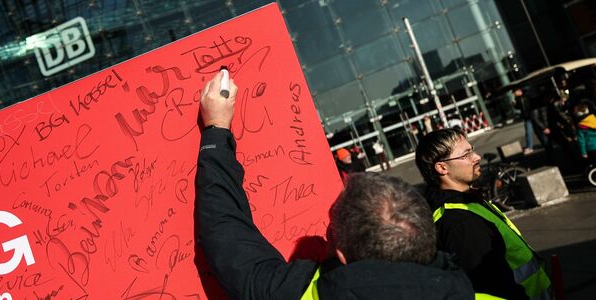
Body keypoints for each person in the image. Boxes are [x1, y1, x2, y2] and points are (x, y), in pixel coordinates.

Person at [196, 71, 473, 299]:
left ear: (341, 256)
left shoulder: (305, 293)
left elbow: (227, 236)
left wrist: (216, 131)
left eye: (331, 234)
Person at [415, 128, 552, 299]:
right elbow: (490, 286)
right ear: (442, 168)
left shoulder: (466, 201)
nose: (477, 157)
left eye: (471, 150)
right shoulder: (460, 223)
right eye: (466, 155)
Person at [573, 99, 596, 165]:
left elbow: (581, 140)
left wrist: (583, 152)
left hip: (591, 148)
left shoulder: (581, 126)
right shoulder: (594, 119)